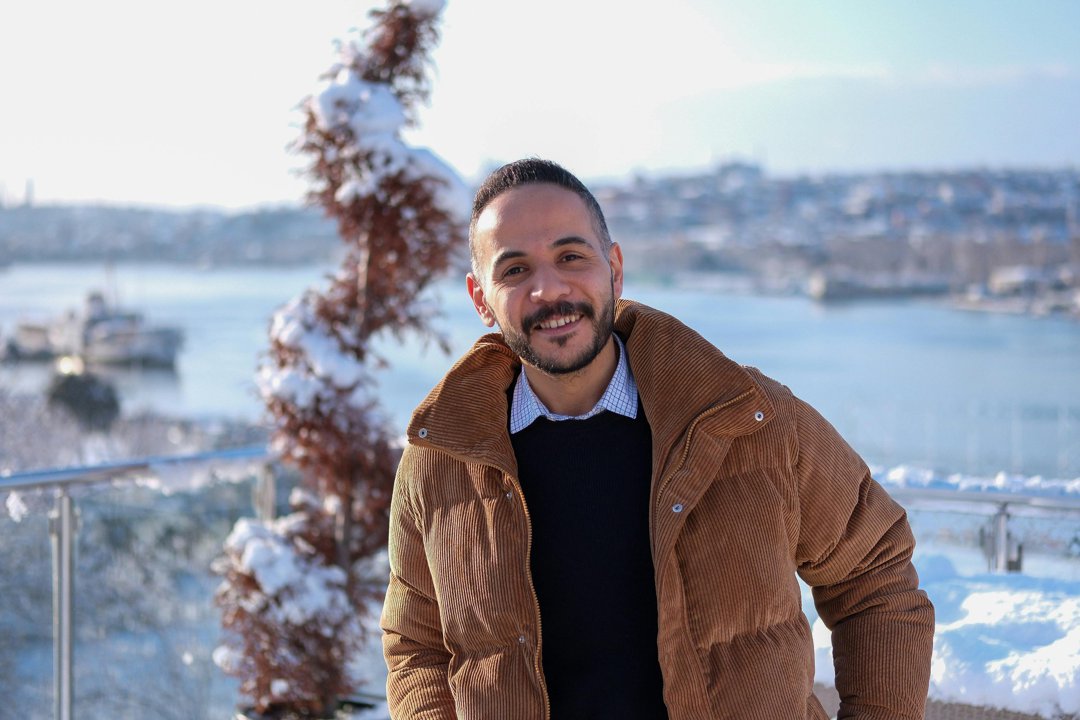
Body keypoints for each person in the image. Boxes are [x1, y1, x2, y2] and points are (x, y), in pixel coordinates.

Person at [381, 158, 935, 719]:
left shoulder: (751, 421)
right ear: (481, 299)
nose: (549, 289)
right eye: (515, 271)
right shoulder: (439, 462)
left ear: (615, 269)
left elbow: (875, 571)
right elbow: (418, 648)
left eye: (571, 257)